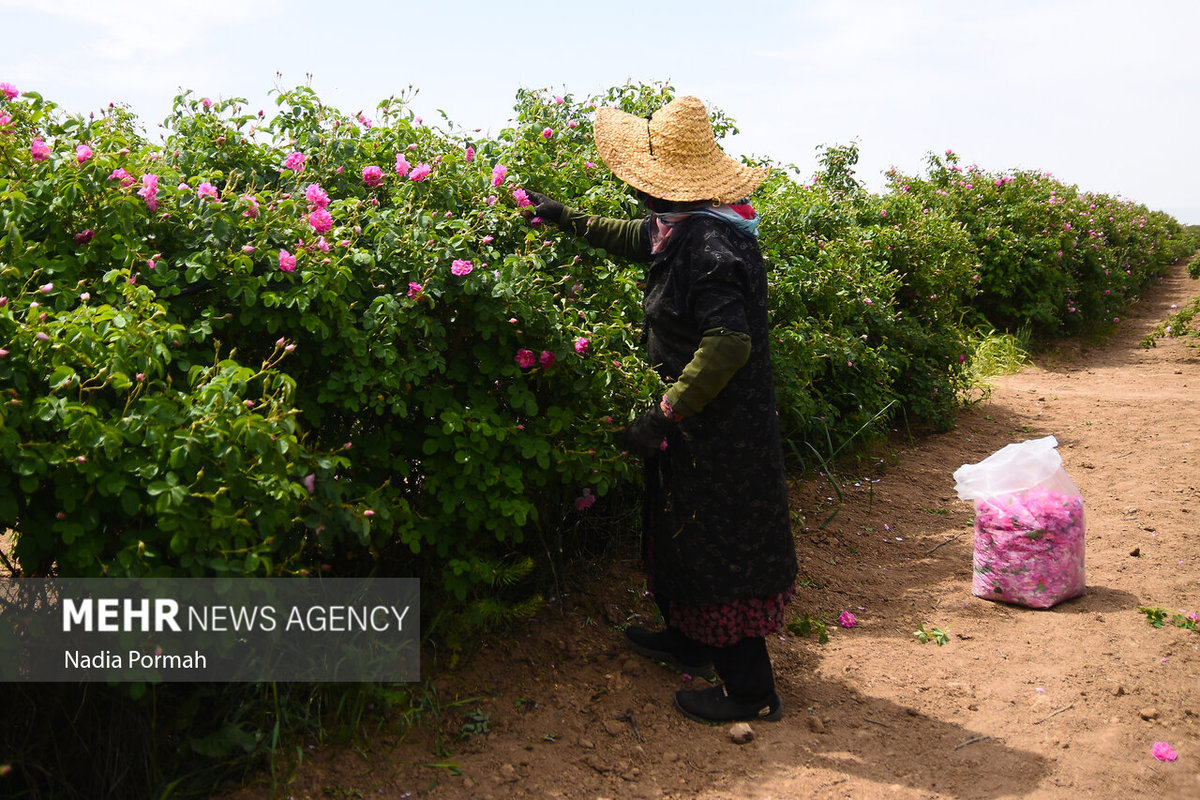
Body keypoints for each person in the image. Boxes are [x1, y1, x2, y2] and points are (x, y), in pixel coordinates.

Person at [527, 95, 797, 723]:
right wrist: (568, 220)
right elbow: (639, 240)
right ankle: (689, 642)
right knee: (681, 530)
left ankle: (752, 691)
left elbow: (730, 343)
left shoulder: (709, 244)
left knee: (716, 541)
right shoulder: (684, 224)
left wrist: (666, 412)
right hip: (697, 421)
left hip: (720, 428)